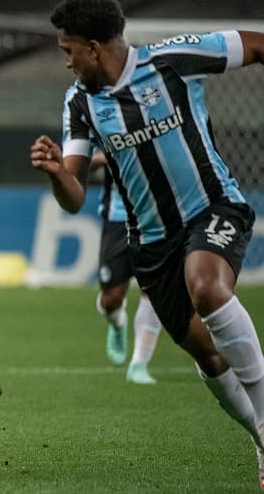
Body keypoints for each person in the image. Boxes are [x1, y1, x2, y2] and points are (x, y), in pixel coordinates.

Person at [31, 0, 264, 487]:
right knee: (206, 352)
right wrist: (56, 172)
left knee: (206, 284)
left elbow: (256, 44)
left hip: (213, 207)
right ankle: (260, 438)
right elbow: (73, 194)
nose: (66, 62)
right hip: (150, 241)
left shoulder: (174, 60)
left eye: (68, 50)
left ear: (94, 47)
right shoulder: (79, 103)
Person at [92, 153, 162, 384]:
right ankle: (117, 321)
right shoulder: (103, 121)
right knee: (111, 298)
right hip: (118, 219)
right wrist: (104, 157)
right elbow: (80, 163)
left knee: (153, 288)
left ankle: (139, 364)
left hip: (155, 216)